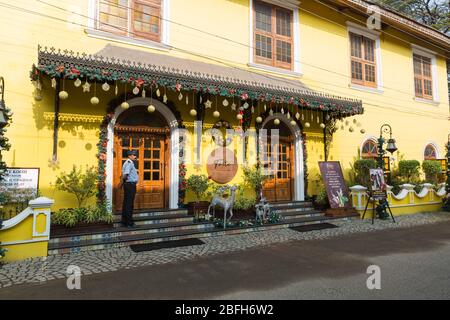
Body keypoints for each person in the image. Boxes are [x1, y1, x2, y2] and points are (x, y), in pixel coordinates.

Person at [121, 149, 138, 227]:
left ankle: (125, 221)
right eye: (134, 155)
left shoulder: (129, 163)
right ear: (129, 156)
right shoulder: (129, 163)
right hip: (130, 185)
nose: (135, 156)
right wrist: (124, 181)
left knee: (126, 203)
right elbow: (126, 174)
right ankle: (129, 222)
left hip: (128, 185)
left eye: (135, 155)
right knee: (129, 204)